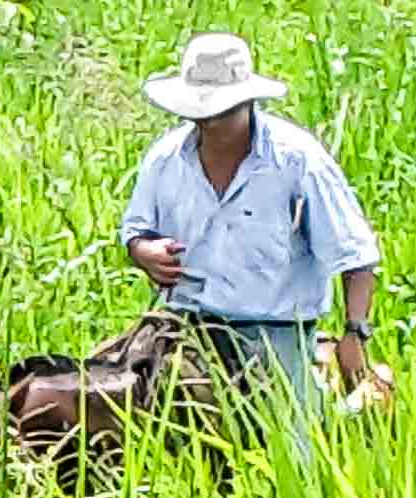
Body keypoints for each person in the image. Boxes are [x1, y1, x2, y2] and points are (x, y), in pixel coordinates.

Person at [116, 30, 383, 459]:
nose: (207, 123)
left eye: (218, 113)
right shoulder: (166, 159)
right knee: (139, 425)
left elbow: (356, 256)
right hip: (184, 325)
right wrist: (143, 252)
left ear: (246, 104)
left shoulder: (297, 161)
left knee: (293, 457)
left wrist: (355, 333)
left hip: (273, 332)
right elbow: (135, 229)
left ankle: (354, 409)